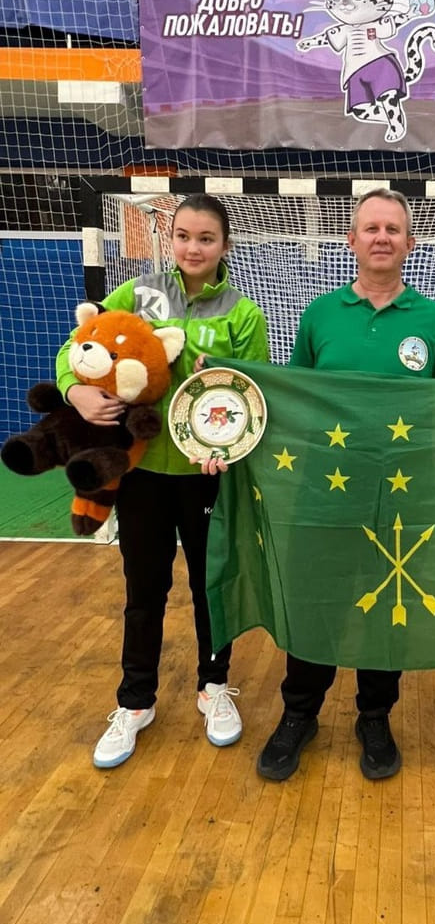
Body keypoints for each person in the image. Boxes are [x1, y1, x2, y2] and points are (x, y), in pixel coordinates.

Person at [257, 187, 435, 783]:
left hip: (404, 495)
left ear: (410, 242)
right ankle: (298, 714)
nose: (382, 237)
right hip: (325, 491)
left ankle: (375, 717)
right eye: (372, 228)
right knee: (317, 600)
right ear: (351, 239)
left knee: (389, 605)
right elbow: (292, 399)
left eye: (393, 229)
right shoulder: (320, 315)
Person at [56, 193, 269, 768]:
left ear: (224, 246)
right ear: (169, 239)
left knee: (210, 586)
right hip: (144, 473)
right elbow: (77, 349)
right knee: (144, 589)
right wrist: (75, 391)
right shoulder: (136, 294)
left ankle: (214, 686)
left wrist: (229, 444)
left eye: (206, 238)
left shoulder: (244, 315)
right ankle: (135, 702)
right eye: (184, 236)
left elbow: (256, 393)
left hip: (207, 478)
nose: (193, 248)